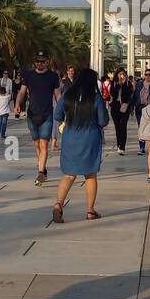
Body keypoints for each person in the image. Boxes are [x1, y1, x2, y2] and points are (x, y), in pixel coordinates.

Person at [50, 67, 108, 223]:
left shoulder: (68, 95)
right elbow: (103, 121)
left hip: (70, 137)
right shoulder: (95, 98)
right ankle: (90, 211)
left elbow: (57, 115)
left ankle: (58, 204)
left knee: (68, 175)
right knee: (90, 175)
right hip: (90, 138)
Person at [16, 52, 61, 186]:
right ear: (35, 62)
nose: (40, 64)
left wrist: (63, 110)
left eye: (42, 61)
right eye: (38, 61)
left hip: (47, 115)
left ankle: (40, 172)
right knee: (36, 144)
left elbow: (58, 96)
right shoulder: (29, 76)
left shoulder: (52, 77)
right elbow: (22, 92)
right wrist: (18, 103)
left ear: (47, 62)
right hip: (32, 115)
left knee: (44, 144)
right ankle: (42, 168)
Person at [108, 68, 136, 155]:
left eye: (123, 74)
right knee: (117, 126)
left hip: (125, 106)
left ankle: (122, 147)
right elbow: (112, 93)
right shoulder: (113, 83)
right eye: (120, 74)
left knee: (123, 125)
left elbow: (129, 94)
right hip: (115, 106)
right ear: (117, 75)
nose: (121, 75)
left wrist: (124, 84)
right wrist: (118, 85)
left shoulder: (128, 84)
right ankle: (119, 144)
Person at [134, 68, 150, 154]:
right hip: (140, 108)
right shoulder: (139, 85)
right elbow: (135, 96)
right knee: (141, 127)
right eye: (146, 75)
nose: (147, 76)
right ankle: (141, 147)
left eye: (149, 75)